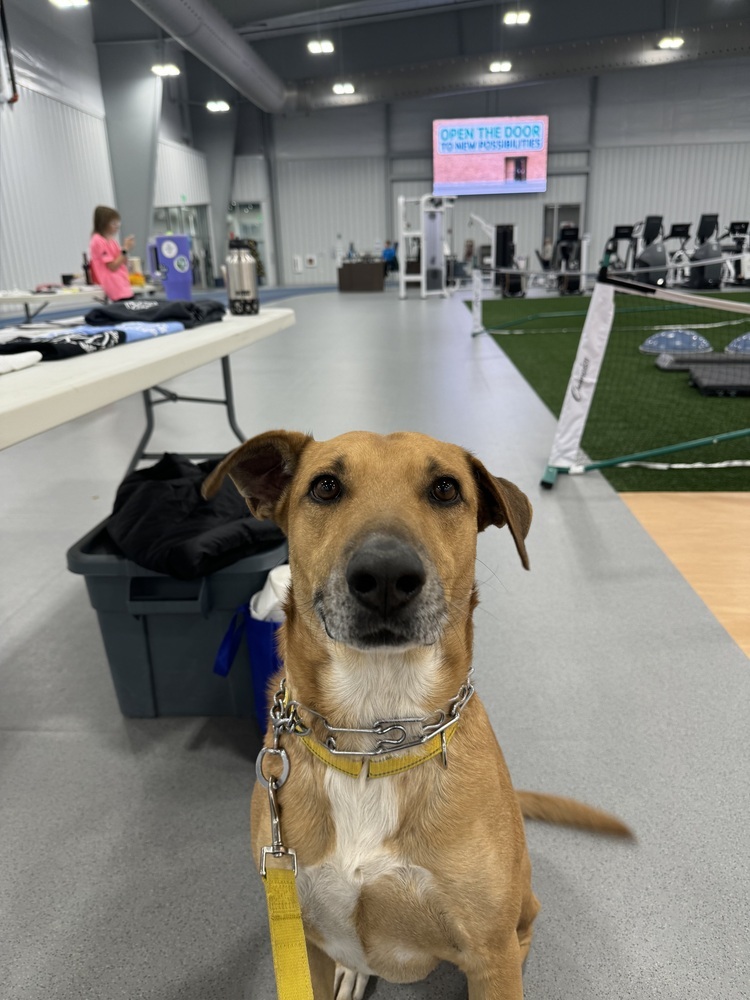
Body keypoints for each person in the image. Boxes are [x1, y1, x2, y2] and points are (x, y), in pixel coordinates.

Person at [89, 206, 135, 301]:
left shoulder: (112, 241)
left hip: (124, 285)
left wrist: (126, 249)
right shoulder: (97, 241)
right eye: (113, 223)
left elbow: (123, 262)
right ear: (104, 224)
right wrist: (125, 248)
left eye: (117, 223)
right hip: (115, 288)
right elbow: (112, 266)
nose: (117, 226)